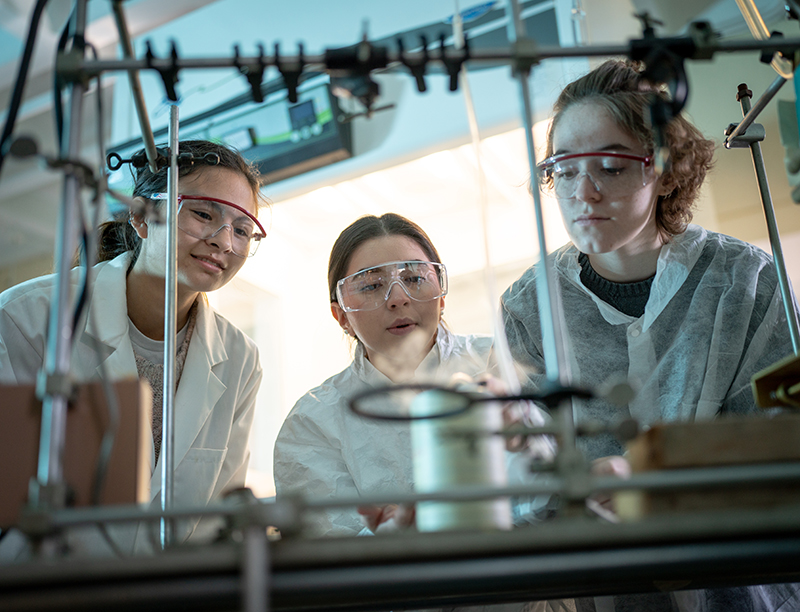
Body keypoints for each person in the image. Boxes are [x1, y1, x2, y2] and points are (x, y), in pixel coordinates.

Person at [501, 60, 800, 611]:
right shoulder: (529, 308)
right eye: (565, 169)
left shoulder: (749, 284)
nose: (583, 193)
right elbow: (528, 486)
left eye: (611, 167)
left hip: (743, 585)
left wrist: (659, 477)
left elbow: (785, 445)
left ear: (664, 169)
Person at [0, 139, 266, 554]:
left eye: (243, 230)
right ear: (142, 218)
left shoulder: (240, 360)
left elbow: (219, 517)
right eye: (202, 214)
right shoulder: (29, 317)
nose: (224, 242)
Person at [273, 213, 498, 537]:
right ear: (341, 317)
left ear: (442, 294)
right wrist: (394, 536)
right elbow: (329, 550)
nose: (398, 298)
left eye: (415, 278)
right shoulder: (312, 423)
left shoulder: (497, 363)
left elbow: (548, 497)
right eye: (371, 285)